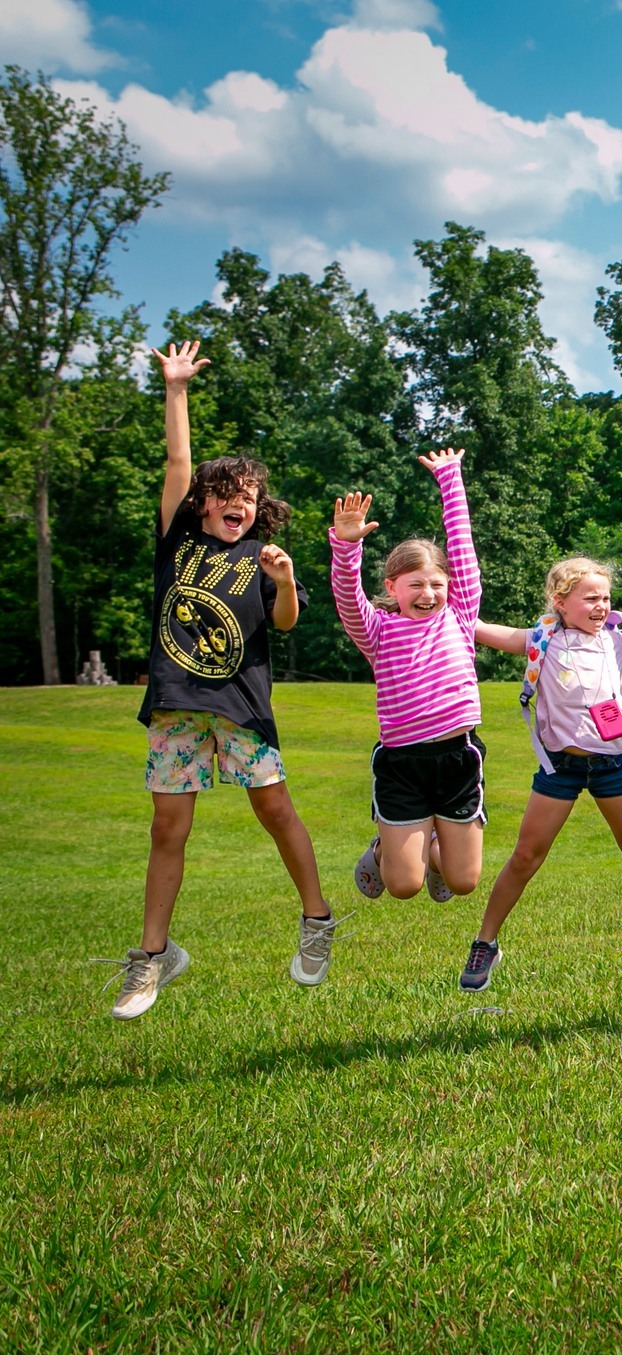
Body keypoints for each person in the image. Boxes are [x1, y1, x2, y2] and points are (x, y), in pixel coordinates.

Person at [110, 340, 327, 1020]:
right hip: (178, 706)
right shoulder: (180, 543)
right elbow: (177, 461)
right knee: (167, 830)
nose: (241, 503)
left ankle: (317, 920)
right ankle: (151, 958)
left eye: (251, 496)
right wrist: (176, 388)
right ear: (204, 504)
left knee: (275, 810)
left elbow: (286, 623)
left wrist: (286, 580)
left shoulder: (262, 559)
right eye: (228, 495)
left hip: (241, 710)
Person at [457, 556, 622, 990]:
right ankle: (486, 941)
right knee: (526, 856)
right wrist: (438, 602)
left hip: (611, 765)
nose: (601, 605)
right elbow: (477, 628)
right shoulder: (542, 639)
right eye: (590, 598)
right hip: (559, 768)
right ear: (560, 601)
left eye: (606, 597)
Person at [328, 449, 485, 910]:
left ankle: (438, 854)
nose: (428, 593)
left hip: (458, 756)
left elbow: (462, 548)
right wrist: (346, 544)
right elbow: (346, 596)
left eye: (436, 583)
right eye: (415, 584)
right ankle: (384, 849)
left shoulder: (459, 614)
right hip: (401, 764)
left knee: (463, 882)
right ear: (392, 586)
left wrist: (450, 478)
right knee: (403, 886)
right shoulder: (377, 629)